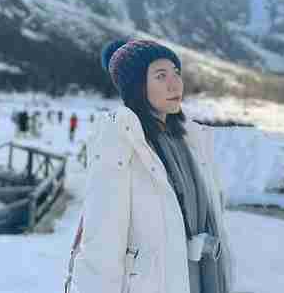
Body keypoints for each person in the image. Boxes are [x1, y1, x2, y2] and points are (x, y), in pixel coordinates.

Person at [65, 39, 234, 293]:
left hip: (197, 281)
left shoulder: (189, 141)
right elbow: (102, 241)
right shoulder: (121, 141)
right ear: (137, 87)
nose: (174, 83)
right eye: (160, 75)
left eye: (176, 73)